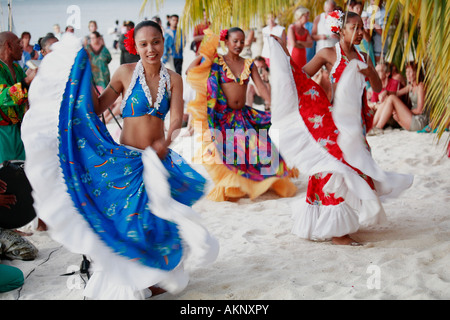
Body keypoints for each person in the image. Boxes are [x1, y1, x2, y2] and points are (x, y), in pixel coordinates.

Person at [21, 20, 218, 300]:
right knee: (129, 222)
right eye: (144, 44)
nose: (151, 49)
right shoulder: (125, 73)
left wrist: (166, 141)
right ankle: (134, 277)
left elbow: (176, 119)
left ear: (164, 42)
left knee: (156, 221)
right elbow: (99, 107)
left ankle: (156, 276)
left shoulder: (173, 79)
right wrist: (82, 78)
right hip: (126, 162)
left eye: (156, 42)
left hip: (156, 161)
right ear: (135, 47)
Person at [269, 11, 412, 246]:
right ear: (340, 30)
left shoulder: (364, 56)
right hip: (330, 120)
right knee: (334, 168)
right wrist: (284, 53)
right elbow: (300, 77)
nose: (359, 32)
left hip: (356, 122)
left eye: (361, 27)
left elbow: (377, 87)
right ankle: (338, 233)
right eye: (353, 27)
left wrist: (370, 73)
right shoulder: (327, 53)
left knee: (355, 166)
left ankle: (331, 223)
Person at [186, 28, 297, 202]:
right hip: (224, 116)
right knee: (231, 153)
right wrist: (205, 54)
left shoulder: (249, 64)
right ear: (227, 42)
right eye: (235, 41)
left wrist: (272, 105)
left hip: (243, 114)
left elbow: (260, 86)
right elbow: (189, 71)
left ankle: (259, 181)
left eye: (241, 41)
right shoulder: (217, 61)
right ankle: (235, 186)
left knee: (260, 147)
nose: (238, 45)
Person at [0, 32, 36, 164]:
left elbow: (29, 93)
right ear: (8, 46)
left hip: (19, 131)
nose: (22, 46)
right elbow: (4, 98)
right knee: (6, 174)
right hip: (2, 134)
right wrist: (28, 80)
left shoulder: (16, 68)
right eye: (18, 43)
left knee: (20, 173)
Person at [373, 62, 428, 131]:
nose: (407, 74)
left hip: (419, 121)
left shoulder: (420, 86)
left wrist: (403, 112)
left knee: (392, 98)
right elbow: (397, 93)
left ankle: (378, 128)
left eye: (410, 72)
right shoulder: (410, 87)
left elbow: (420, 110)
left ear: (417, 73)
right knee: (388, 98)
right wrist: (386, 92)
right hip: (410, 119)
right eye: (407, 72)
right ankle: (372, 126)